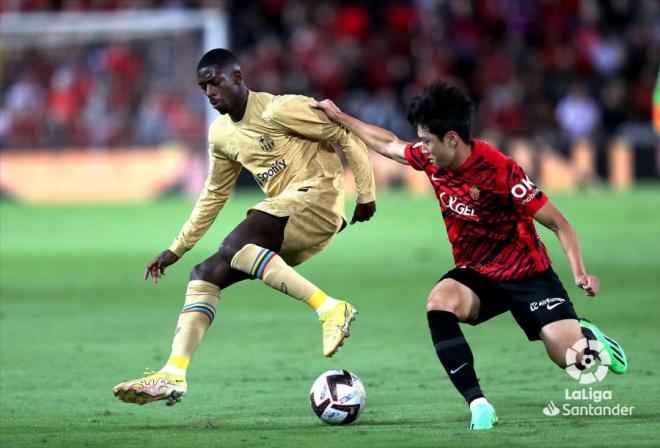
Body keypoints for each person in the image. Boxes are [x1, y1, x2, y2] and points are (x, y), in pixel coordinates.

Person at [310, 81, 627, 430]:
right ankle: (479, 404)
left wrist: (580, 272)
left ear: (452, 139)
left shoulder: (500, 171)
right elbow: (388, 144)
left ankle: (589, 338)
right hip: (478, 273)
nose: (423, 148)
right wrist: (339, 116)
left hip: (528, 275)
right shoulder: (432, 161)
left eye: (428, 141)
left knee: (575, 361)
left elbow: (560, 224)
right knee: (439, 302)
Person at [113, 49, 376, 406]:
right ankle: (173, 373)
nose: (209, 93)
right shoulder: (221, 135)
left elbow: (346, 134)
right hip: (287, 222)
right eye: (203, 87)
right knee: (204, 274)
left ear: (237, 78)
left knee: (234, 244)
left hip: (318, 198)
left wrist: (366, 193)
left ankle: (330, 308)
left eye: (215, 82)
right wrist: (177, 247)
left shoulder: (280, 109)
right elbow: (213, 194)